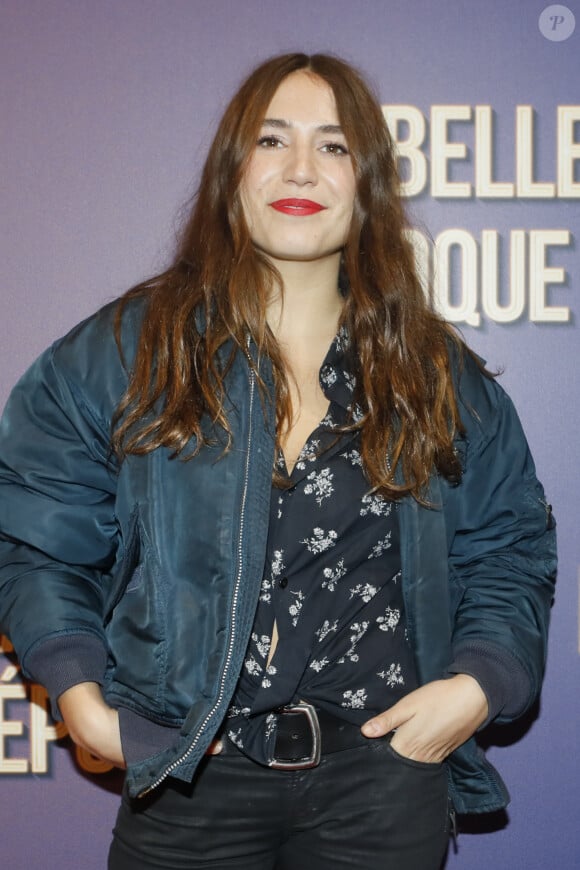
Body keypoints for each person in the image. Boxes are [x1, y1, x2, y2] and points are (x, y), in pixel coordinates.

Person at [0, 52, 556, 870]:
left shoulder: (436, 374)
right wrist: (81, 699)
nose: (302, 167)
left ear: (367, 183)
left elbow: (510, 548)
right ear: (233, 171)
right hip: (189, 771)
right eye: (272, 140)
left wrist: (477, 686)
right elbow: (36, 531)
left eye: (333, 147)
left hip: (383, 781)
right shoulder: (128, 353)